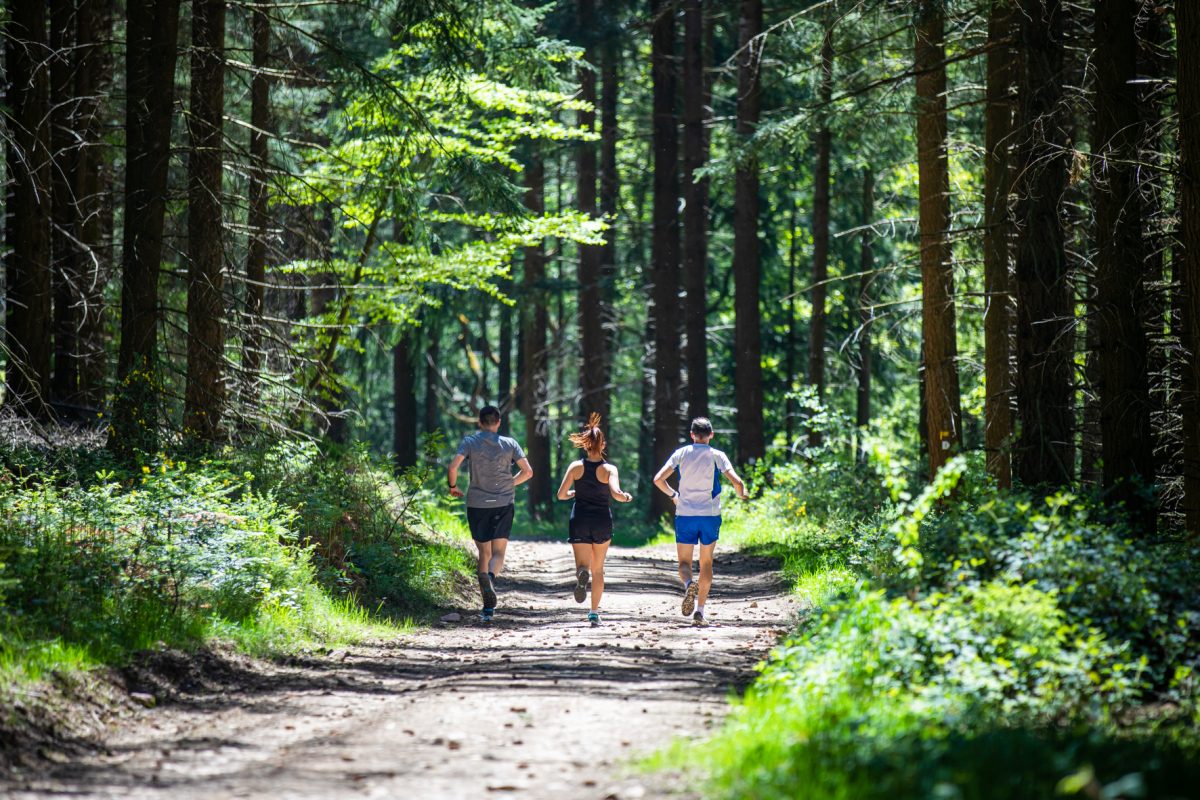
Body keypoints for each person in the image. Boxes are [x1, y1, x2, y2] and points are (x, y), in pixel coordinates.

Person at [652, 417, 748, 626]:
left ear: (692, 435)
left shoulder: (681, 454)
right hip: (710, 515)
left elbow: (658, 479)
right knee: (706, 562)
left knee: (684, 564)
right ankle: (700, 611)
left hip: (685, 513)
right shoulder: (717, 456)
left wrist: (673, 495)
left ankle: (688, 585)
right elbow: (737, 481)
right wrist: (742, 494)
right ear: (711, 435)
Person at [448, 405, 534, 622]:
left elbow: (453, 467)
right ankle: (491, 581)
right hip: (503, 502)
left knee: (483, 553)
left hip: (477, 504)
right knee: (499, 553)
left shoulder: (469, 442)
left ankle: (486, 605)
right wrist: (510, 484)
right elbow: (528, 471)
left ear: (479, 422)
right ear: (498, 422)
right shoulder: (510, 443)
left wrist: (453, 486)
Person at [555, 413, 633, 626]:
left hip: (579, 518)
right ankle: (593, 612)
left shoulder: (575, 467)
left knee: (583, 566)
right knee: (598, 569)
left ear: (585, 445)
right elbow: (616, 493)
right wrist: (625, 497)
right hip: (601, 521)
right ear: (602, 444)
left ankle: (582, 574)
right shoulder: (609, 469)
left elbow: (561, 495)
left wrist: (575, 493)